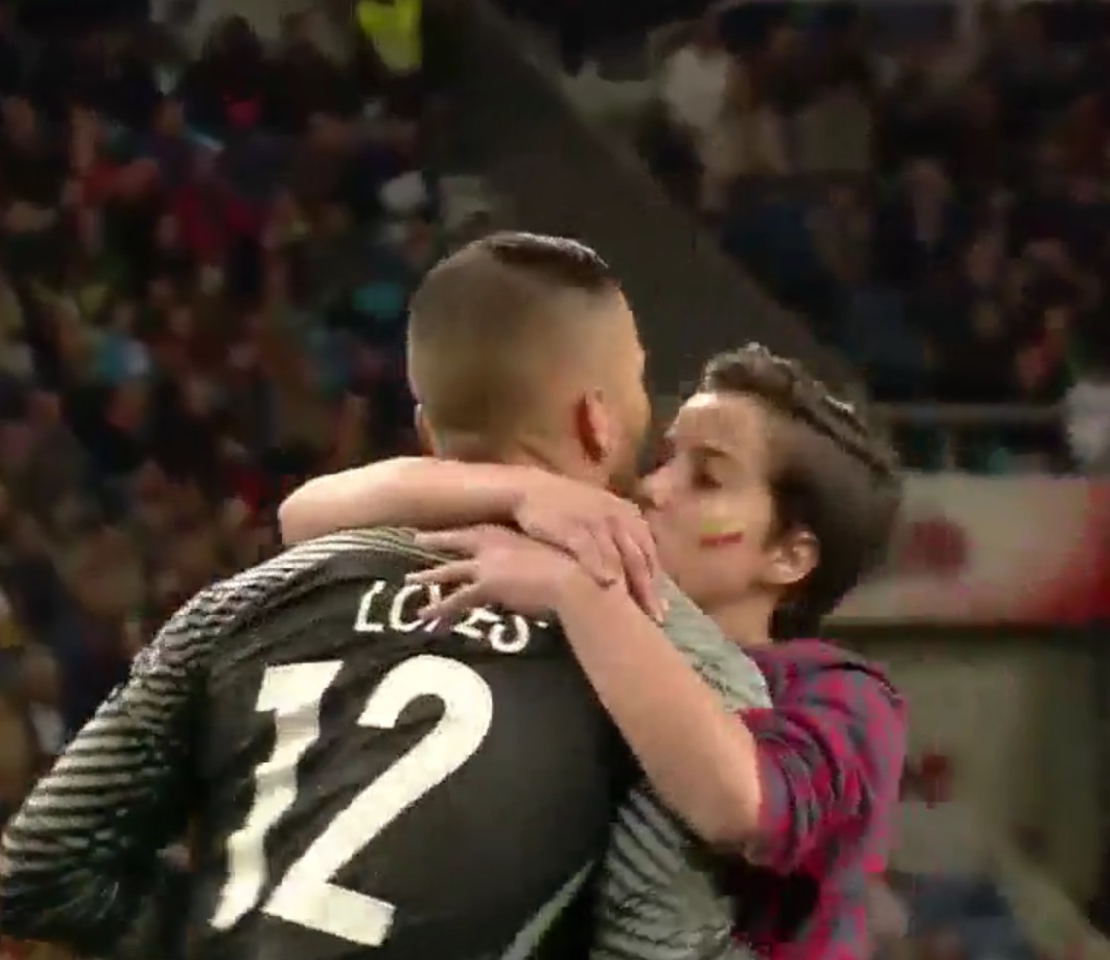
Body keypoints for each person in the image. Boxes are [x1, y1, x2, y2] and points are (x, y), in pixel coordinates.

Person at [0, 232, 696, 960]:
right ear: (597, 419)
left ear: (426, 433)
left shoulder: (245, 601)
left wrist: (228, 924)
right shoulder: (648, 661)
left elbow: (43, 865)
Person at [280, 343, 909, 959]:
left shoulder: (847, 696)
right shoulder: (562, 586)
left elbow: (741, 806)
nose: (654, 487)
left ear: (789, 556)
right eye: (664, 457)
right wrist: (519, 492)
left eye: (707, 478)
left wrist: (578, 594)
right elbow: (307, 518)